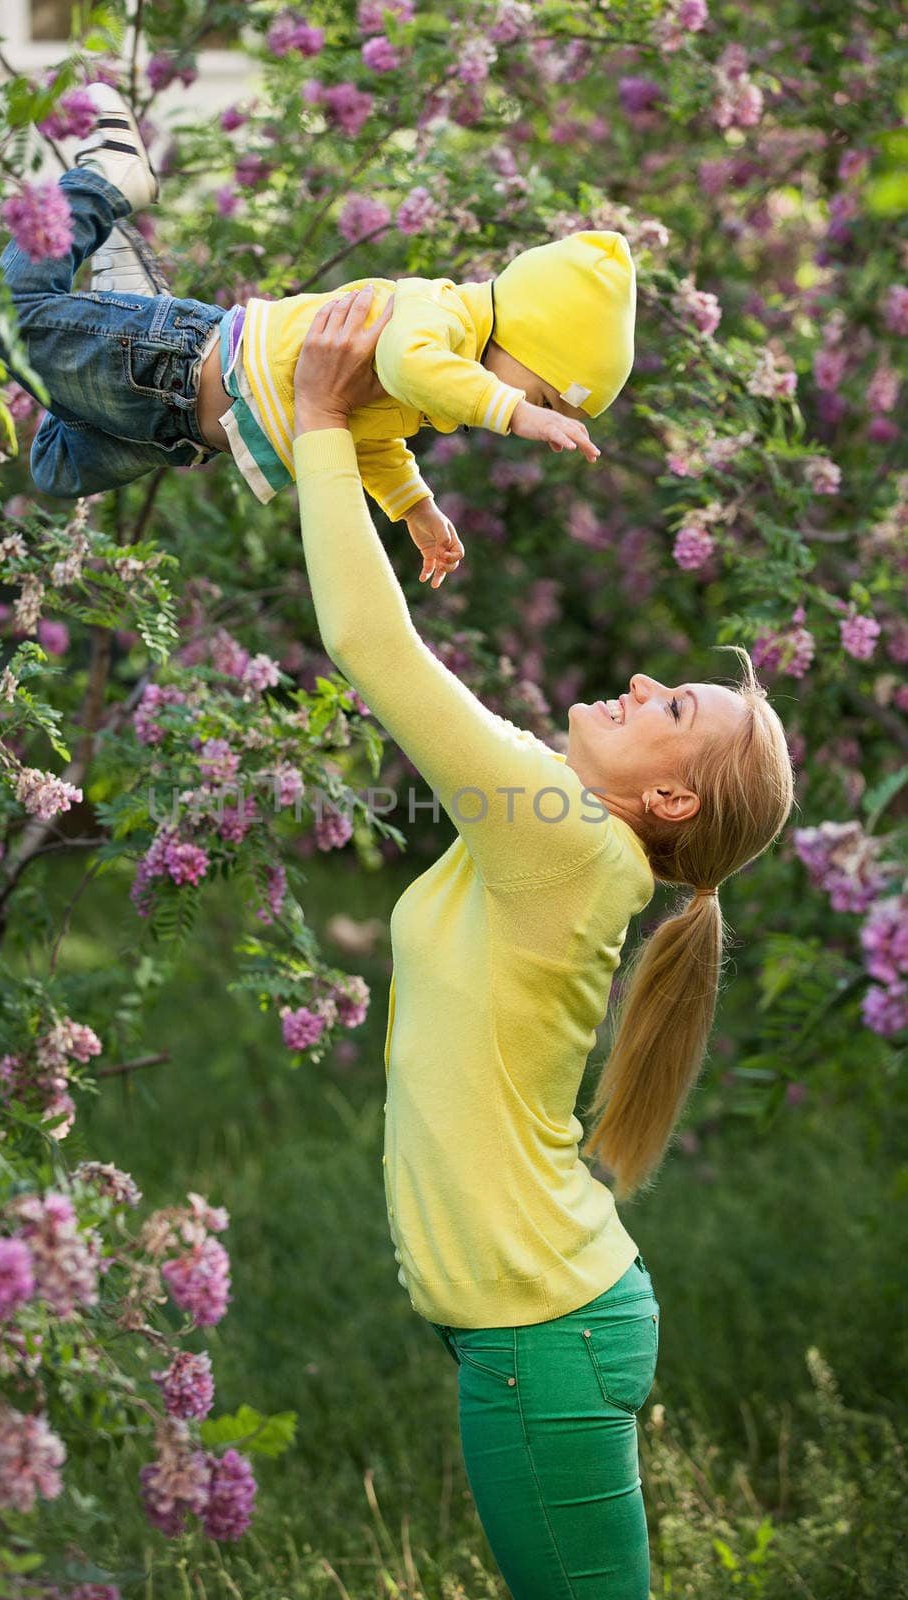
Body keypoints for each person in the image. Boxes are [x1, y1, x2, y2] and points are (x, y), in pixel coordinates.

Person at [288, 285, 796, 1599]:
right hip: (534, 1326)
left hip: (541, 1331)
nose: (636, 682)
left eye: (666, 704)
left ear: (668, 797)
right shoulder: (552, 839)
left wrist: (314, 423)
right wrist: (395, 488)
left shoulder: (565, 843)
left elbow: (366, 643)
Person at [0, 83, 634, 587]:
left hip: (186, 432)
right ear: (527, 338)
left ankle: (130, 296)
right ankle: (105, 180)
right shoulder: (440, 314)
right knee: (4, 317)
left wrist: (417, 511)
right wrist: (517, 414)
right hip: (177, 364)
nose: (536, 419)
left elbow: (368, 438)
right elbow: (407, 364)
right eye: (545, 398)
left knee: (55, 467)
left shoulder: (442, 385)